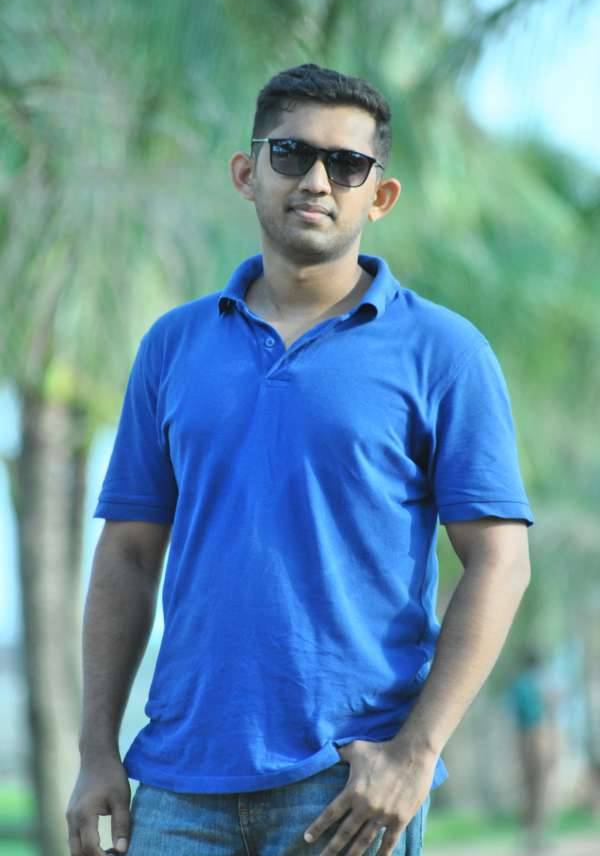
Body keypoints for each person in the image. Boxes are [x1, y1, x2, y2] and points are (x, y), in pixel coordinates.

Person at [66, 63, 533, 856]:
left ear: (380, 196)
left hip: (348, 785)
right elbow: (127, 555)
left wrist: (415, 755)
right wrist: (95, 751)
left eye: (347, 164)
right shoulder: (173, 346)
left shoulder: (444, 353)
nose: (317, 180)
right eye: (291, 153)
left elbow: (500, 562)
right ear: (247, 173)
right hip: (177, 782)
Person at [507, 649, 559, 853]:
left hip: (523, 738)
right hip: (538, 736)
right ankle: (536, 835)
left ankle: (529, 836)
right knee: (540, 788)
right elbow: (548, 710)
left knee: (528, 787)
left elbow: (513, 714)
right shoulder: (539, 684)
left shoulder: (519, 685)